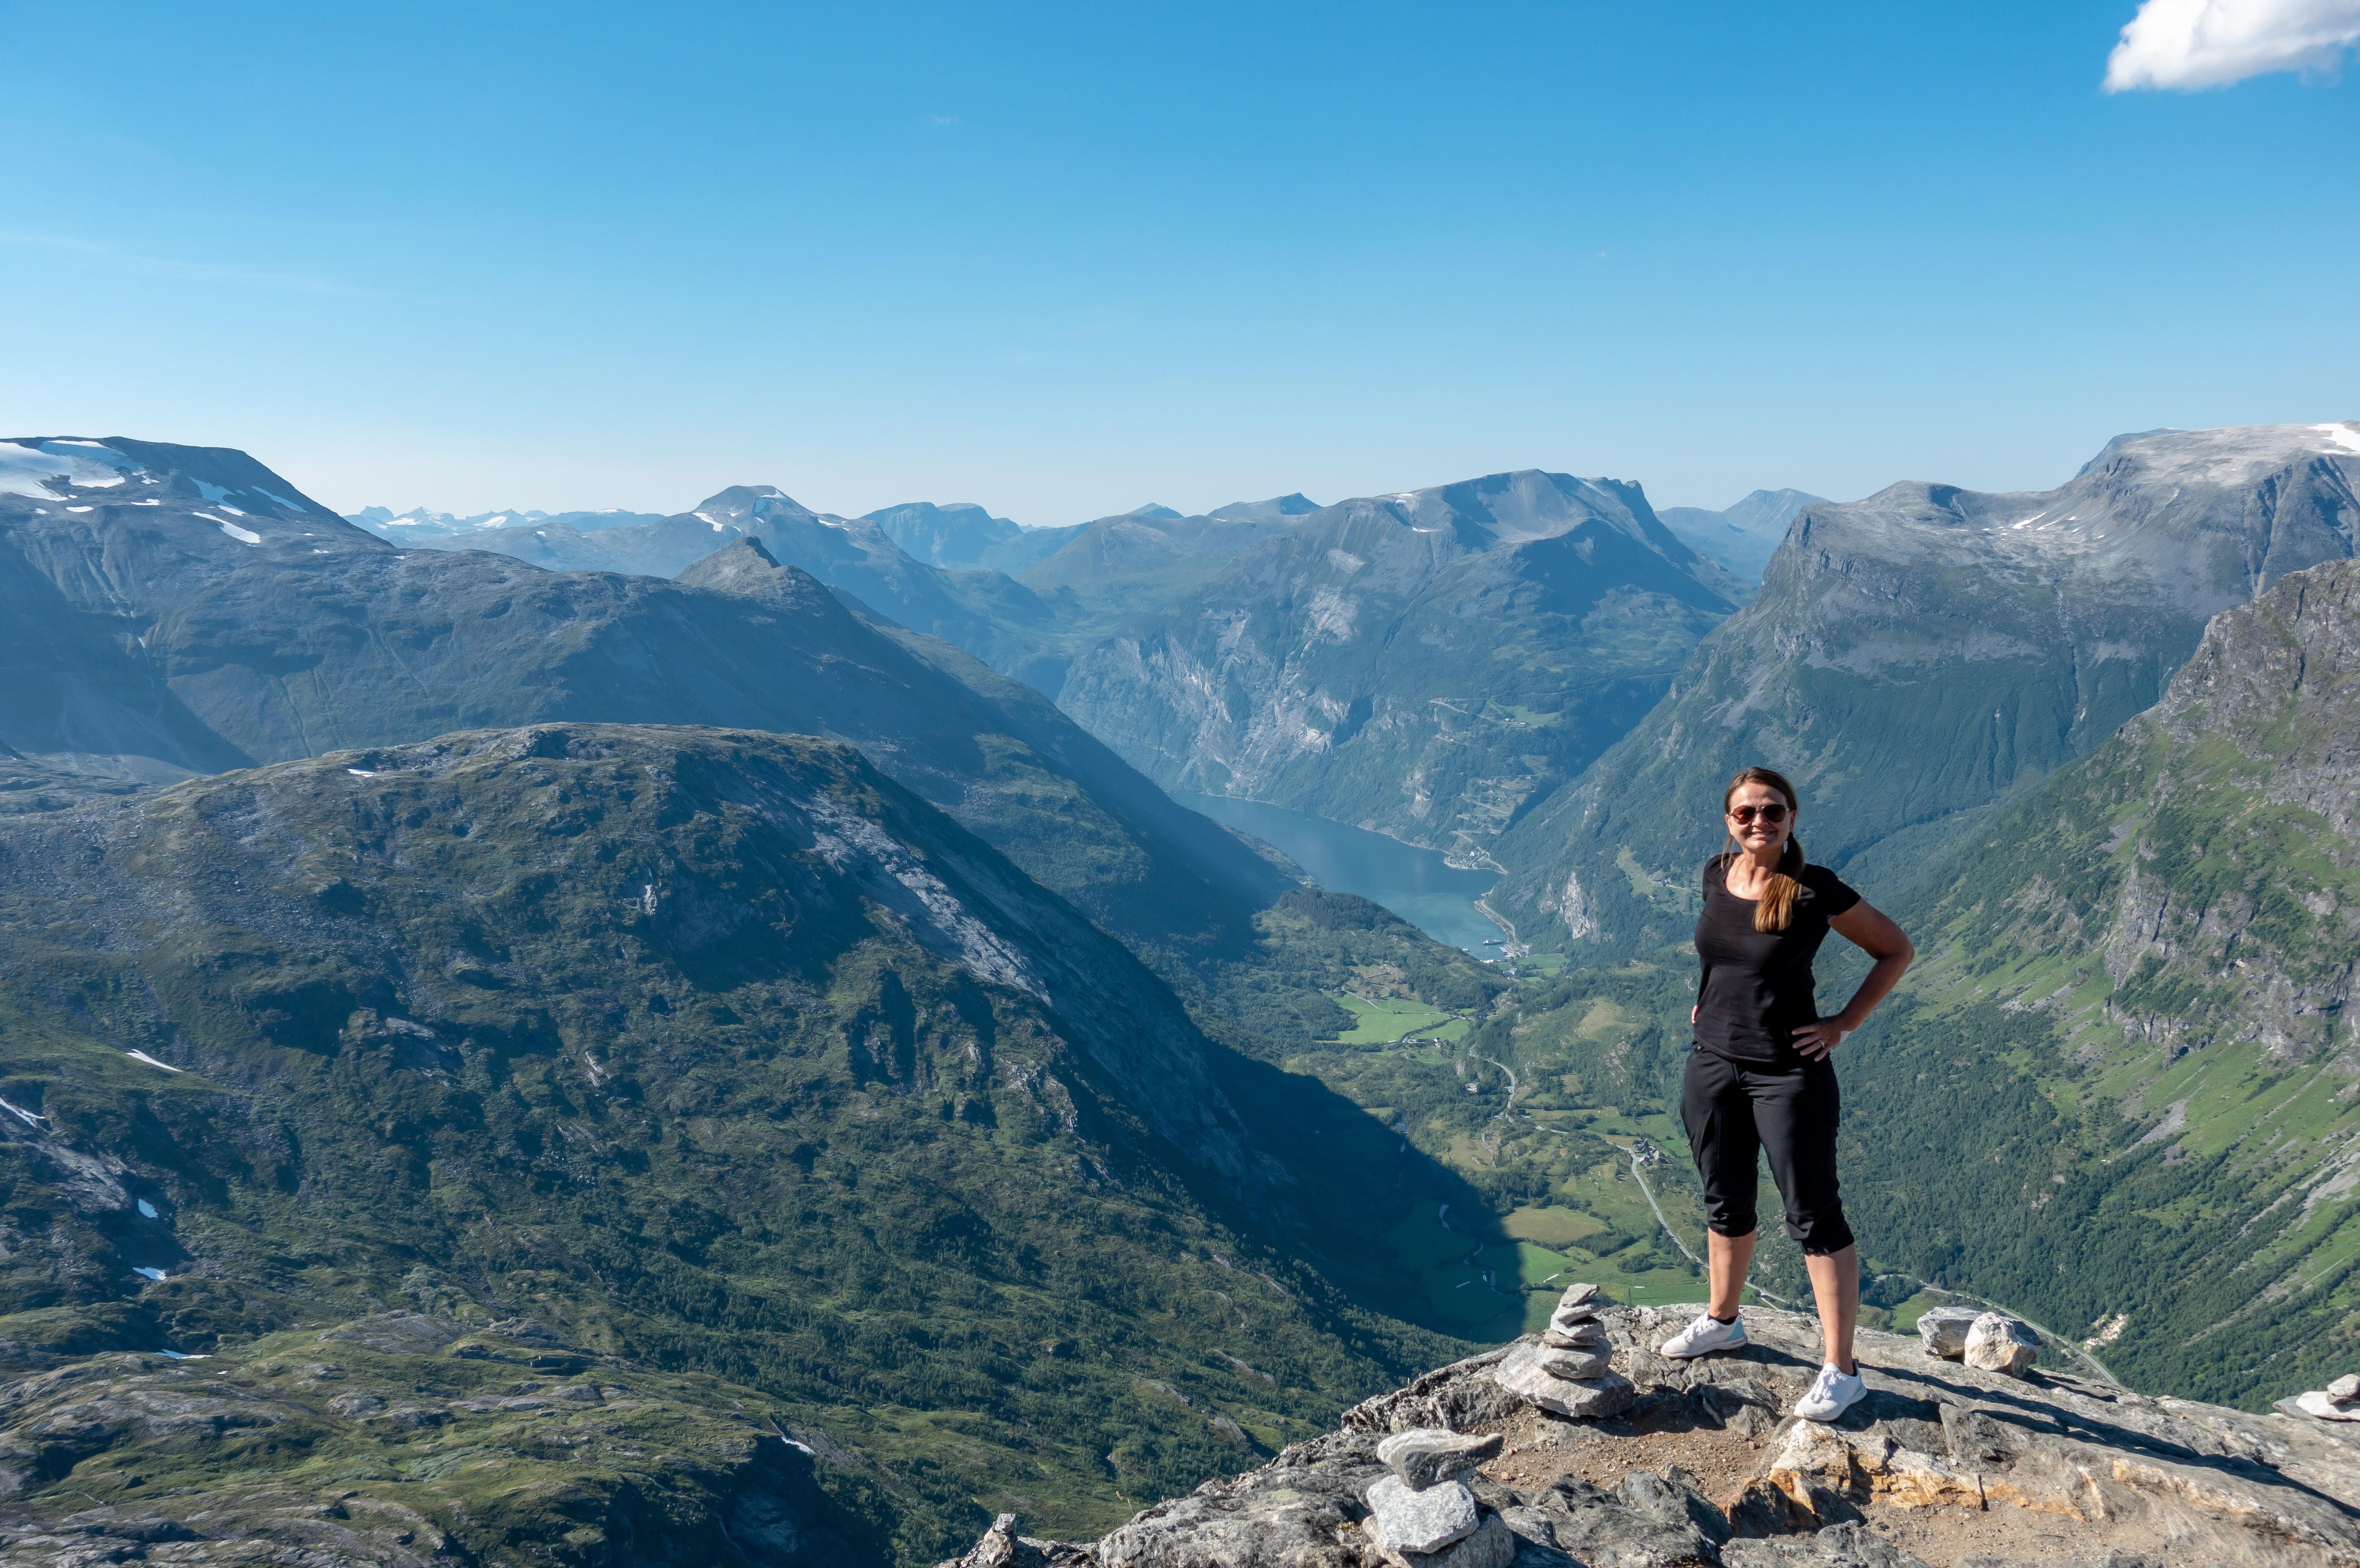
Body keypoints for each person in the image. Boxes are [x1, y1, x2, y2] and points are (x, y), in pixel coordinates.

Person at [1652, 766, 1913, 1424]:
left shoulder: (1813, 889)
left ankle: (1842, 1371)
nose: (1759, 822)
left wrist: (1842, 1025)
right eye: (1746, 813)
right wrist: (1708, 1003)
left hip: (1786, 1075)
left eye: (1772, 811)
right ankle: (1723, 1321)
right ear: (1728, 821)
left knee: (1814, 1216)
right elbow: (1723, 956)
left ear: (1792, 818)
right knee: (1725, 1199)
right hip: (1711, 1064)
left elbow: (1895, 951)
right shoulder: (1717, 875)